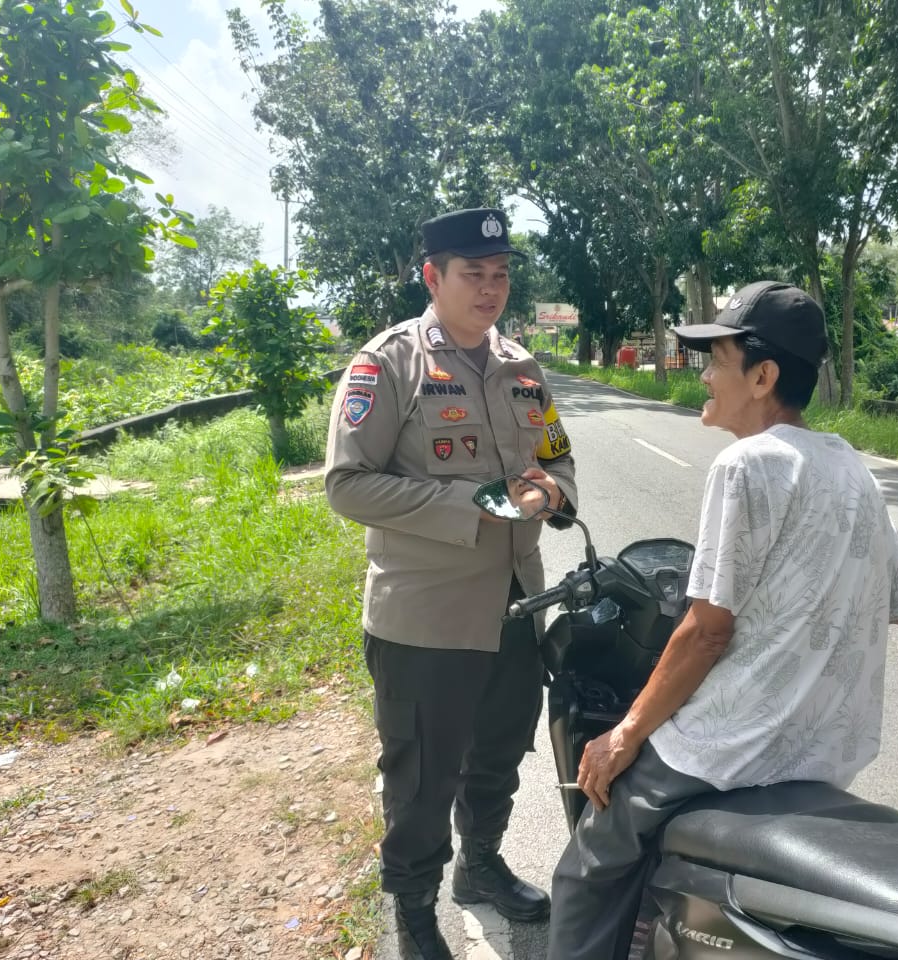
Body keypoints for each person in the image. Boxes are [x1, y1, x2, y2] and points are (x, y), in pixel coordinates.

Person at [546, 280, 898, 960]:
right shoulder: (852, 468)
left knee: (584, 873)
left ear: (762, 375)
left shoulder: (748, 463)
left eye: (714, 359)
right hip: (826, 753)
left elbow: (707, 630)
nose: (704, 374)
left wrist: (624, 735)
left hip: (731, 750)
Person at [324, 207, 578, 960]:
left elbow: (559, 460)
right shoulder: (388, 363)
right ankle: (412, 908)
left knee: (499, 754)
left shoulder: (525, 369)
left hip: (514, 604)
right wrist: (474, 502)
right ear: (432, 276)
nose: (491, 288)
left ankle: (481, 866)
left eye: (501, 275)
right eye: (474, 273)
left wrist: (552, 494)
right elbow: (346, 485)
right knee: (422, 778)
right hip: (425, 620)